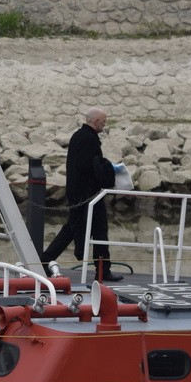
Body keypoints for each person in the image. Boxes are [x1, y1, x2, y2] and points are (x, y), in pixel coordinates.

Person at [41, 107, 123, 281]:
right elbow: (87, 166)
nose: (105, 124)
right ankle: (103, 271)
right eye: (104, 121)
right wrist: (107, 167)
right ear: (95, 122)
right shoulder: (89, 139)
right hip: (88, 194)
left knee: (73, 228)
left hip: (80, 193)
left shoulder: (79, 136)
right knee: (97, 230)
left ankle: (45, 260)